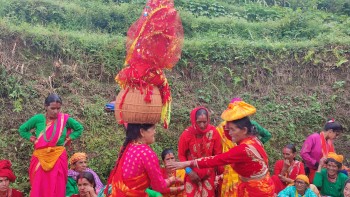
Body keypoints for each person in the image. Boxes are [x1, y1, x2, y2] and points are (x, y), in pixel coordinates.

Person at [168, 103, 275, 196]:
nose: (229, 133)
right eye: (229, 129)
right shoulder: (253, 139)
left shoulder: (242, 149)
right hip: (262, 185)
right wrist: (189, 169)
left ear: (244, 130)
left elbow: (216, 159)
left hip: (255, 191)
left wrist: (189, 163)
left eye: (232, 129)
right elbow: (229, 138)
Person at [18, 93, 84, 197]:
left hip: (58, 156)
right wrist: (32, 138)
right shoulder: (38, 119)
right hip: (40, 157)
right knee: (39, 184)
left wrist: (69, 138)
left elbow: (79, 128)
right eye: (52, 108)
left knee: (58, 184)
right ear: (45, 106)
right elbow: (22, 129)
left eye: (58, 108)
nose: (56, 111)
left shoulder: (64, 119)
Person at [104, 124, 183, 196]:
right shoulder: (146, 153)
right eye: (153, 129)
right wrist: (173, 180)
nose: (155, 132)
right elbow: (159, 187)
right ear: (142, 132)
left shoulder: (127, 147)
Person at [178, 107, 222, 197]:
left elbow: (218, 154)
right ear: (194, 120)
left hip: (209, 175)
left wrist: (219, 175)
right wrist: (189, 171)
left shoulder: (214, 132)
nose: (202, 125)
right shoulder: (186, 134)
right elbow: (181, 155)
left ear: (208, 120)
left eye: (204, 122)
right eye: (199, 122)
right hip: (192, 175)